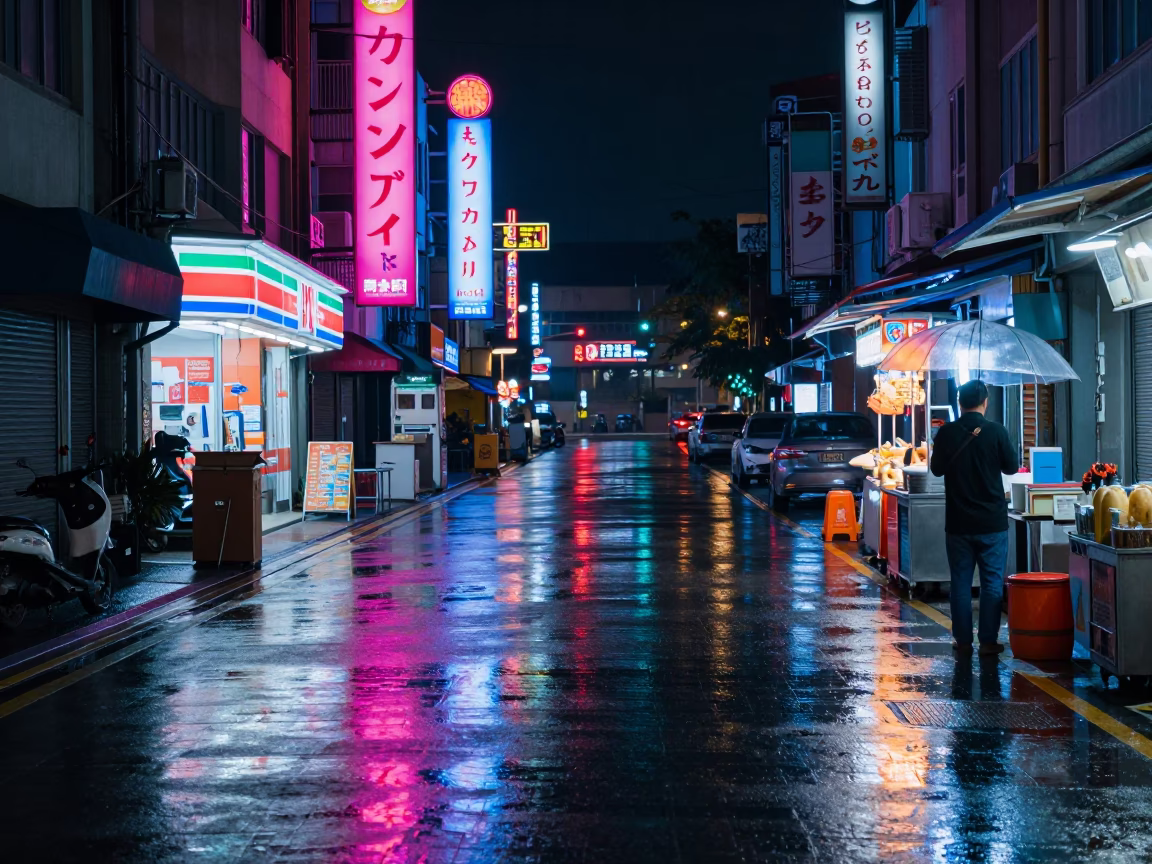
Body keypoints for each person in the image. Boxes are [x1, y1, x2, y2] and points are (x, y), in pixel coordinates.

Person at [929, 379, 1020, 656]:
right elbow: (1012, 468)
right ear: (985, 402)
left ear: (959, 403)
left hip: (958, 523)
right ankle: (989, 641)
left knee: (960, 582)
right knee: (992, 583)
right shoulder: (996, 431)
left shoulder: (946, 433)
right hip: (992, 522)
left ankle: (963, 641)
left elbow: (936, 470)